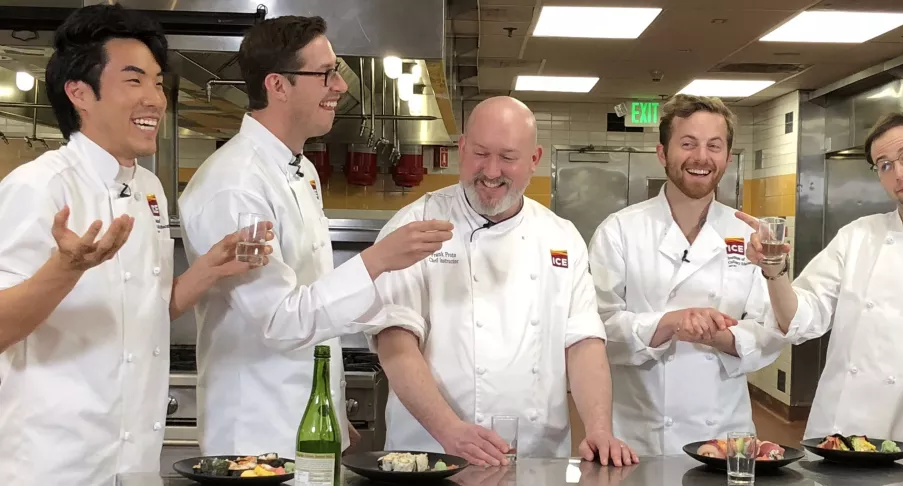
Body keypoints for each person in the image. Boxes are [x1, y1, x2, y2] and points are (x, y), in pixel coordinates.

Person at [0, 5, 274, 485]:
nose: (155, 98)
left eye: (155, 81)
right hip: (53, 464)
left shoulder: (148, 188)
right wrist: (65, 268)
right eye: (133, 81)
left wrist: (209, 268)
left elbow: (144, 308)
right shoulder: (39, 187)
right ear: (79, 93)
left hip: (135, 462)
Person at [178, 15, 452, 458]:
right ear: (278, 85)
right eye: (325, 74)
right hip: (257, 438)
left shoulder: (300, 169)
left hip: (306, 425)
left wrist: (328, 408)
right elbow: (280, 320)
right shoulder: (235, 186)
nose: (340, 87)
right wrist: (378, 259)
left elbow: (310, 296)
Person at [358, 96, 639, 467]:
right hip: (433, 454)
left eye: (508, 157)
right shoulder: (415, 225)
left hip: (536, 459)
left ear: (535, 160)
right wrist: (450, 431)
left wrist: (598, 427)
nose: (491, 171)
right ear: (461, 148)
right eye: (479, 154)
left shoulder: (562, 237)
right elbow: (395, 342)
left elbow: (584, 343)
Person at [740, 112, 903, 478]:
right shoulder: (858, 236)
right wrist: (774, 271)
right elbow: (800, 317)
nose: (899, 172)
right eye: (885, 165)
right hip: (835, 437)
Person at [588, 94, 785, 456]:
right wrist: (669, 323)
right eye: (688, 144)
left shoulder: (748, 234)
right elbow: (596, 329)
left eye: (714, 146)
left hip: (725, 433)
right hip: (638, 435)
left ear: (727, 156)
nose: (701, 157)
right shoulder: (620, 230)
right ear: (663, 154)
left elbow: (772, 330)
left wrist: (718, 337)